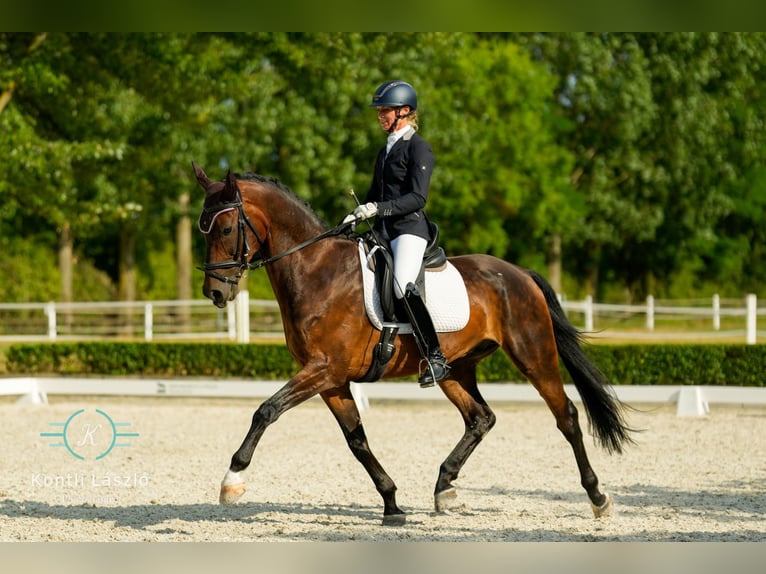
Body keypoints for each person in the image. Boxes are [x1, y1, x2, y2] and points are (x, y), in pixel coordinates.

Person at [345, 80, 450, 388]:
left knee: (403, 285)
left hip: (409, 229)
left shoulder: (419, 147)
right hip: (382, 231)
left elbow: (418, 198)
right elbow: (372, 194)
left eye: (386, 111)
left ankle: (435, 357)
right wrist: (355, 214)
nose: (381, 116)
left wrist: (378, 208)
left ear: (405, 111)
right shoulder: (385, 151)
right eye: (380, 111)